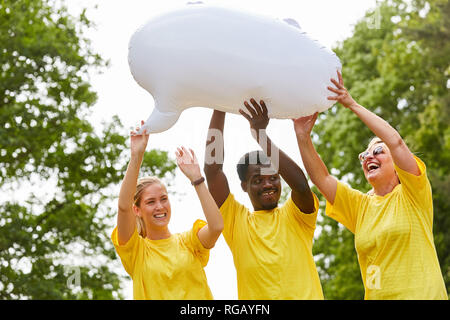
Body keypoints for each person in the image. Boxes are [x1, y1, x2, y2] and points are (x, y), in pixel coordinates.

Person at [293, 71, 448, 300]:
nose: (368, 157)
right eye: (364, 155)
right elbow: (322, 179)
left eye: (377, 151)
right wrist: (302, 136)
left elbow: (395, 142)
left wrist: (351, 104)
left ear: (398, 165)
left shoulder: (413, 193)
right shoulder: (360, 206)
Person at [204, 99, 324, 299]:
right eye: (258, 180)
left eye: (273, 178)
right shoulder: (236, 222)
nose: (268, 184)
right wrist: (220, 105)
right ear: (244, 186)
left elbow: (302, 186)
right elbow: (212, 171)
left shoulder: (296, 217)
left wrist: (260, 135)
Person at [111, 121, 224, 300]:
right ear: (137, 210)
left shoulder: (189, 242)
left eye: (163, 199)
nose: (160, 206)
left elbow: (217, 226)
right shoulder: (136, 251)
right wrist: (136, 156)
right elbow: (123, 207)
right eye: (150, 202)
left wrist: (197, 179)